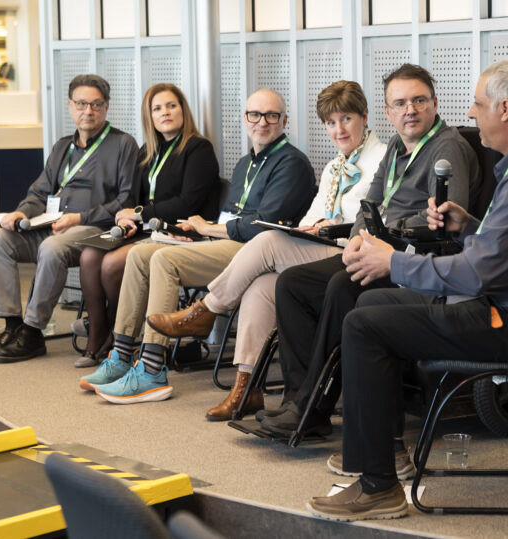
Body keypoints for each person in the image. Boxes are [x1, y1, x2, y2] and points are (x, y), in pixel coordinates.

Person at [306, 60, 508, 521]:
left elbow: (478, 274)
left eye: (479, 104)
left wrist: (394, 261)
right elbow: (505, 251)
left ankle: (378, 485)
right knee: (372, 302)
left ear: (504, 108)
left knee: (364, 322)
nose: (472, 112)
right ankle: (387, 456)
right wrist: (469, 226)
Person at [261, 64, 481, 448]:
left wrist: (385, 236)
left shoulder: (448, 149)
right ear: (388, 111)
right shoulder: (397, 146)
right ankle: (299, 399)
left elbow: (443, 219)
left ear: (435, 103)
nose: (410, 109)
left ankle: (314, 407)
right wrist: (362, 236)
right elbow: (370, 203)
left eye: (418, 100)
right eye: (400, 103)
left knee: (341, 285)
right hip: (376, 247)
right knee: (293, 284)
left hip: (414, 259)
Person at [146, 81, 387, 420]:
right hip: (321, 248)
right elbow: (310, 215)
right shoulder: (335, 166)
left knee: (267, 240)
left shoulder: (381, 158)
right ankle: (247, 388)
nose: (338, 130)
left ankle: (207, 309)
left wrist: (324, 228)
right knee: (260, 287)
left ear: (364, 116)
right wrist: (311, 226)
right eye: (331, 123)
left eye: (346, 119)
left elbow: (377, 220)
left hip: (350, 252)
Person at [80, 88, 316, 404]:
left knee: (164, 260)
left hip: (255, 252)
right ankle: (122, 355)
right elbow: (228, 216)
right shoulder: (246, 162)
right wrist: (197, 233)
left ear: (284, 120)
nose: (262, 122)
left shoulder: (292, 164)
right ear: (245, 119)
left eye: (271, 115)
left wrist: (207, 229)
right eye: (254, 115)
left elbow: (260, 226)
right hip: (223, 242)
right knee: (139, 254)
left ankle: (151, 369)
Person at [0, 74, 138, 363]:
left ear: (106, 107)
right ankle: (11, 326)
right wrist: (21, 212)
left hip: (95, 230)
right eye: (81, 104)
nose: (87, 111)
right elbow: (39, 192)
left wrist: (80, 217)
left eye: (95, 104)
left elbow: (126, 201)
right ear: (69, 105)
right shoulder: (62, 146)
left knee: (51, 248)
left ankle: (32, 330)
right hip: (51, 226)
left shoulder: (123, 144)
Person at [73, 83, 220, 368]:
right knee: (90, 256)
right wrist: (125, 216)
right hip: (144, 229)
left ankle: (118, 338)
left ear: (183, 110)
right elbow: (132, 198)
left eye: (171, 106)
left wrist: (139, 213)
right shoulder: (149, 150)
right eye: (157, 108)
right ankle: (100, 330)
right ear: (149, 117)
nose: (165, 112)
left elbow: (187, 203)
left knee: (112, 265)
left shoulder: (198, 148)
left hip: (180, 232)